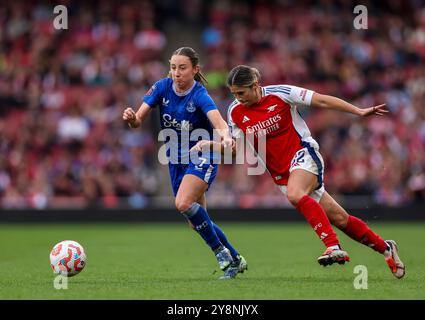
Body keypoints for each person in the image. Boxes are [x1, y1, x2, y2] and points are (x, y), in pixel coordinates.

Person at [192, 65, 405, 279]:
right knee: (340, 219)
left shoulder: (281, 93)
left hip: (303, 154)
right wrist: (209, 144)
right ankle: (386, 248)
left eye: (241, 92)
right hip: (282, 174)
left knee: (296, 194)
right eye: (234, 94)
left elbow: (321, 100)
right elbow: (235, 148)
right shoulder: (235, 111)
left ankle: (332, 246)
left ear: (255, 85)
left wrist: (357, 111)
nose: (238, 98)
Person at [122, 47, 247, 279]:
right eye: (173, 67)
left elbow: (218, 121)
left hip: (202, 155)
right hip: (175, 160)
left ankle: (221, 254)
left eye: (182, 68)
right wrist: (132, 118)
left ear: (195, 69)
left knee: (182, 203)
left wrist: (226, 135)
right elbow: (138, 120)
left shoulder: (199, 94)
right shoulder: (161, 87)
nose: (176, 73)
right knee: (196, 221)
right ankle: (236, 258)